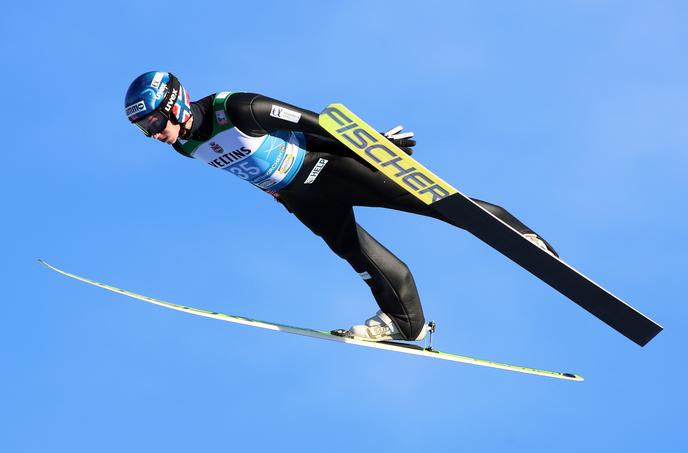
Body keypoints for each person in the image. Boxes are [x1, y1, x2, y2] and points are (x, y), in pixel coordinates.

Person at [124, 71, 558, 343]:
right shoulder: (185, 147)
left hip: (328, 167)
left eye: (154, 122)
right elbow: (242, 165)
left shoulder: (238, 108)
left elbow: (312, 123)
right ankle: (404, 322)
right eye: (144, 129)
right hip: (299, 196)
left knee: (439, 204)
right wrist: (277, 194)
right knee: (359, 255)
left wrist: (374, 145)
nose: (153, 133)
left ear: (174, 103)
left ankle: (523, 238)